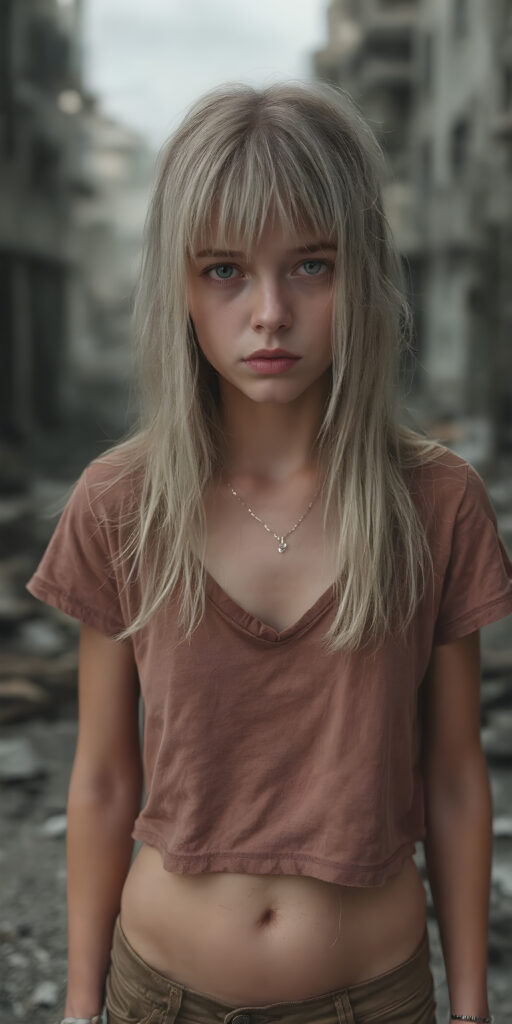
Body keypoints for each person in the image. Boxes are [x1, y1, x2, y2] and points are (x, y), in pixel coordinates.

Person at [25, 81, 511, 1024]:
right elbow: (102, 776)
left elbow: (455, 774)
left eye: (312, 267)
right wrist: (80, 1009)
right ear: (179, 282)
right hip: (161, 997)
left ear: (360, 273)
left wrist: (471, 1007)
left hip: (377, 998)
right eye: (225, 271)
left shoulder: (436, 500)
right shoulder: (121, 502)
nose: (271, 313)